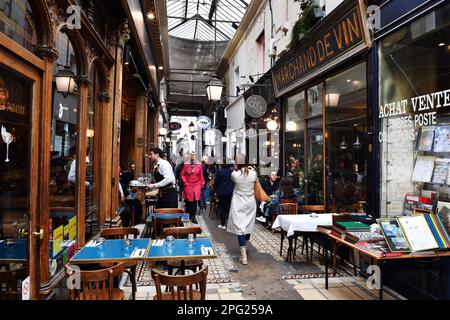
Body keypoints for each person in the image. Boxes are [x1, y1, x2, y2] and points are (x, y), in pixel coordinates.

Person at [226, 154, 257, 265]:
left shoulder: (235, 174)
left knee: (240, 227)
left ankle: (243, 256)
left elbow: (234, 177)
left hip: (238, 202)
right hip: (250, 202)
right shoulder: (253, 173)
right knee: (248, 225)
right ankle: (245, 244)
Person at [181, 151, 204, 224]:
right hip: (188, 185)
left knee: (194, 202)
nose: (192, 157)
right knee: (188, 202)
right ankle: (187, 215)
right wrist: (185, 182)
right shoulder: (185, 165)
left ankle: (193, 217)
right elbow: (182, 174)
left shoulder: (199, 165)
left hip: (196, 185)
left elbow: (201, 176)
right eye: (191, 155)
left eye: (194, 155)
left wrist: (201, 184)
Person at [215, 163, 234, 229]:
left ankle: (223, 224)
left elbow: (216, 182)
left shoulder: (219, 171)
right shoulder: (232, 172)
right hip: (230, 192)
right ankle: (231, 225)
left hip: (221, 192)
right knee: (229, 208)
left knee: (222, 208)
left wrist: (216, 191)